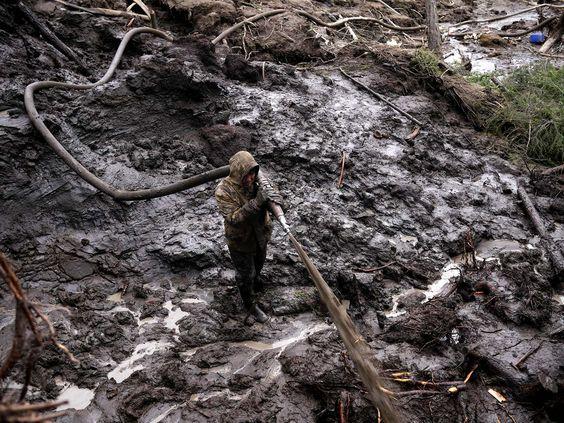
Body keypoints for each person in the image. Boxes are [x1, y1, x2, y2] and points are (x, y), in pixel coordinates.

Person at [215, 151, 282, 323]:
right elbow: (233, 219)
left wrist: (277, 201)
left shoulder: (258, 182)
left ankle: (255, 282)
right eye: (247, 174)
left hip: (260, 235)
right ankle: (249, 305)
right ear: (238, 173)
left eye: (253, 173)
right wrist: (257, 202)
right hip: (240, 241)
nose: (251, 178)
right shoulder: (223, 190)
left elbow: (277, 200)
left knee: (259, 264)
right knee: (246, 275)